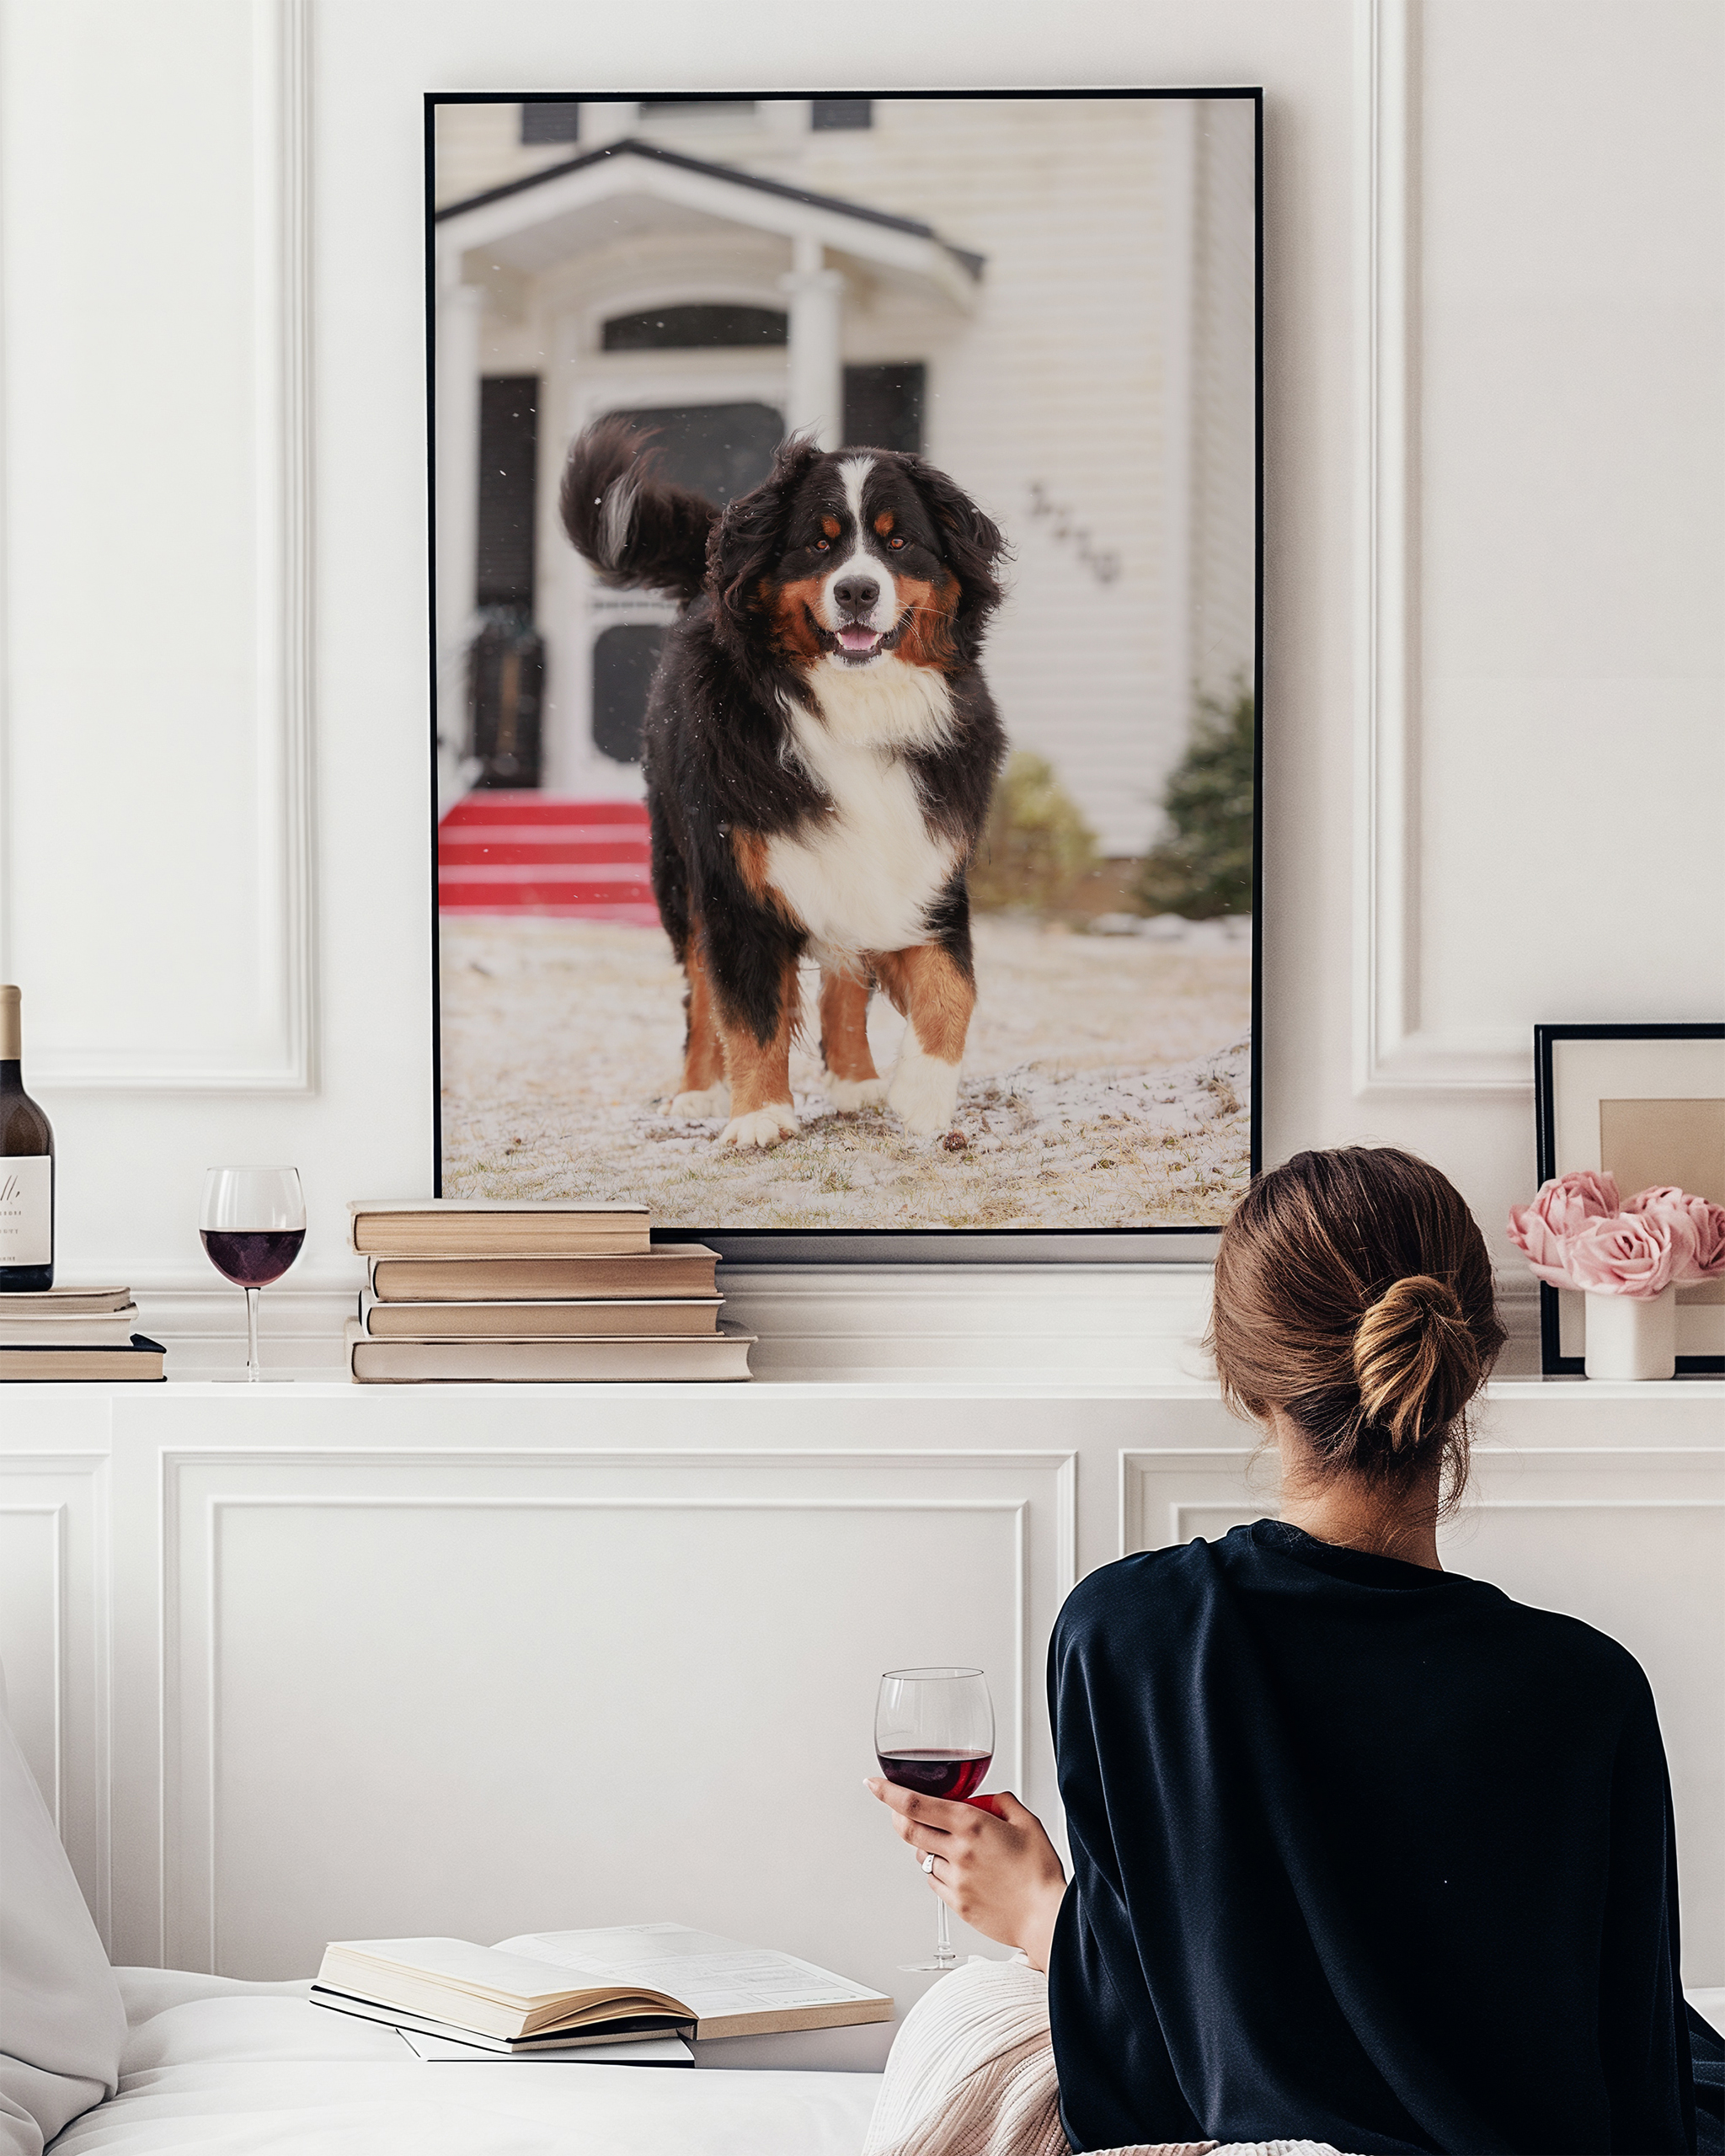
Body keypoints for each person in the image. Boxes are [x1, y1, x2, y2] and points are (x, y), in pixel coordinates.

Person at [870, 1145, 1722, 2154]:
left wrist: (1045, 1918)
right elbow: (1634, 2089)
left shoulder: (1129, 1633)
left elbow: (1155, 2090)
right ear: (1470, 1362)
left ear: (1240, 1376)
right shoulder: (1589, 1687)